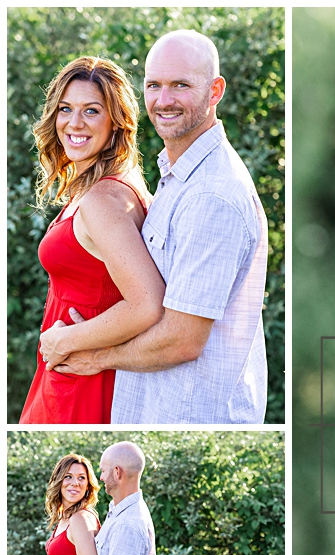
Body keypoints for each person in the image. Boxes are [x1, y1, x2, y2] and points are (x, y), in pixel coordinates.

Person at [50, 30, 269, 425]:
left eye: (180, 85)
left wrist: (94, 356)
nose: (164, 100)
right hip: (157, 405)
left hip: (190, 414)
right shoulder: (177, 178)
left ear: (215, 90)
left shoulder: (212, 196)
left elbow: (182, 340)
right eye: (154, 85)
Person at [18, 57, 166, 424]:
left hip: (81, 379)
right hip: (70, 368)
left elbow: (148, 304)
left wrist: (63, 342)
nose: (75, 123)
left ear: (116, 121)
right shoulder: (102, 188)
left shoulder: (103, 200)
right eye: (65, 109)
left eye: (92, 111)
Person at [52, 442, 156, 555]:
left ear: (117, 472)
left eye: (103, 470)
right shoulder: (118, 512)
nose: (100, 477)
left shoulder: (127, 524)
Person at [41, 453, 104, 555]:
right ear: (59, 481)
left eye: (82, 478)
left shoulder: (80, 518)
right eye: (68, 476)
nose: (75, 483)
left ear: (88, 485)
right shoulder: (67, 517)